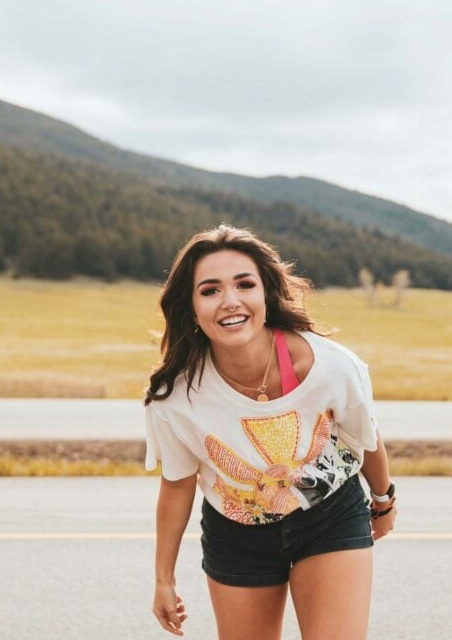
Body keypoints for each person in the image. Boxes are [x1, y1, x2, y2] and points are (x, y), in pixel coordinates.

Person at [143, 224, 397, 639]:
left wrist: (383, 501)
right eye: (210, 290)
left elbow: (365, 436)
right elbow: (177, 484)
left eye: (245, 284)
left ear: (266, 294)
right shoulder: (175, 397)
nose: (230, 300)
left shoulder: (332, 366)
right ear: (191, 307)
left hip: (331, 515)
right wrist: (163, 580)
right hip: (236, 534)